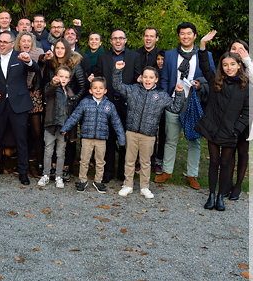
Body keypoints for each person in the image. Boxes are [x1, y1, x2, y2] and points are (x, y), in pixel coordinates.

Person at [155, 22, 215, 189]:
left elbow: (211, 78)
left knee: (194, 141)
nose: (186, 36)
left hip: (194, 103)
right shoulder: (170, 55)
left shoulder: (205, 55)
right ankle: (167, 171)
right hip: (174, 101)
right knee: (170, 139)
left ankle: (192, 174)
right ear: (178, 36)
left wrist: (200, 85)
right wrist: (167, 98)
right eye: (182, 33)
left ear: (195, 36)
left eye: (189, 33)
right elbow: (165, 78)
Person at [113, 62, 185, 199]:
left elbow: (175, 108)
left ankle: (144, 187)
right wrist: (117, 71)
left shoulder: (161, 96)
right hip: (132, 132)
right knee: (129, 160)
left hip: (148, 135)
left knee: (145, 162)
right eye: (145, 77)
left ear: (156, 80)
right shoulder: (133, 90)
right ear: (141, 78)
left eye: (151, 77)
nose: (148, 80)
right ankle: (127, 184)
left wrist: (179, 93)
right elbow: (117, 86)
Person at [196, 34, 250, 211]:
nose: (229, 68)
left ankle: (221, 196)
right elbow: (205, 66)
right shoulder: (215, 81)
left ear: (239, 66)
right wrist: (203, 44)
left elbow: (247, 111)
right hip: (213, 127)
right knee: (214, 162)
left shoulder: (245, 85)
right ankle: (211, 195)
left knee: (226, 163)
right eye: (225, 65)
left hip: (230, 131)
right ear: (222, 66)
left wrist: (236, 130)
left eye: (232, 64)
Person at [0, 31, 40, 184]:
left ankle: (23, 172)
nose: (1, 44)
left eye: (5, 42)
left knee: (21, 139)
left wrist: (29, 60)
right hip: (0, 104)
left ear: (11, 44)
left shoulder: (21, 56)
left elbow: (34, 69)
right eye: (0, 42)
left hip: (19, 104)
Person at [60, 77, 126, 193]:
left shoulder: (109, 105)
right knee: (84, 160)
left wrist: (122, 139)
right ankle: (82, 180)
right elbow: (75, 116)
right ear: (90, 91)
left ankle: (98, 181)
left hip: (101, 139)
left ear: (105, 90)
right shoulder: (85, 103)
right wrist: (65, 128)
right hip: (87, 138)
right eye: (95, 88)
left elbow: (116, 122)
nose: (98, 90)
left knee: (100, 161)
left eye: (101, 88)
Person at [94, 28, 141, 184]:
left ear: (125, 40)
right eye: (115, 38)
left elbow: (136, 79)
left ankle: (123, 171)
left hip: (126, 104)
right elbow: (99, 78)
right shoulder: (102, 56)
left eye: (121, 38)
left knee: (126, 138)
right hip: (107, 102)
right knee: (108, 138)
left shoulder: (134, 57)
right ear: (111, 41)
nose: (118, 41)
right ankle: (108, 172)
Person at [225, 38, 253, 200]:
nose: (237, 51)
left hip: (247, 114)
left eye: (241, 49)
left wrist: (247, 60)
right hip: (229, 114)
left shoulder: (251, 66)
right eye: (234, 48)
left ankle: (238, 185)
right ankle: (227, 183)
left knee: (242, 151)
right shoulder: (227, 66)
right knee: (229, 150)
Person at [38, 66, 80, 188]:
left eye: (66, 77)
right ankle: (46, 174)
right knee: (48, 151)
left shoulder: (70, 92)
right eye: (61, 76)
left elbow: (72, 114)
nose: (63, 79)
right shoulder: (53, 88)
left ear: (69, 79)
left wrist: (71, 132)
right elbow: (47, 91)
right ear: (56, 76)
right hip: (51, 125)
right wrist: (53, 83)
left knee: (61, 153)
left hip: (64, 128)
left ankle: (59, 176)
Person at [14, 32, 45, 177]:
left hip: (34, 94)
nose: (26, 43)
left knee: (37, 132)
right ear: (19, 42)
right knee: (21, 132)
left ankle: (40, 164)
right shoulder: (13, 54)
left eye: (29, 41)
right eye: (23, 40)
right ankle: (23, 165)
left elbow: (42, 64)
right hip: (18, 95)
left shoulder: (37, 52)